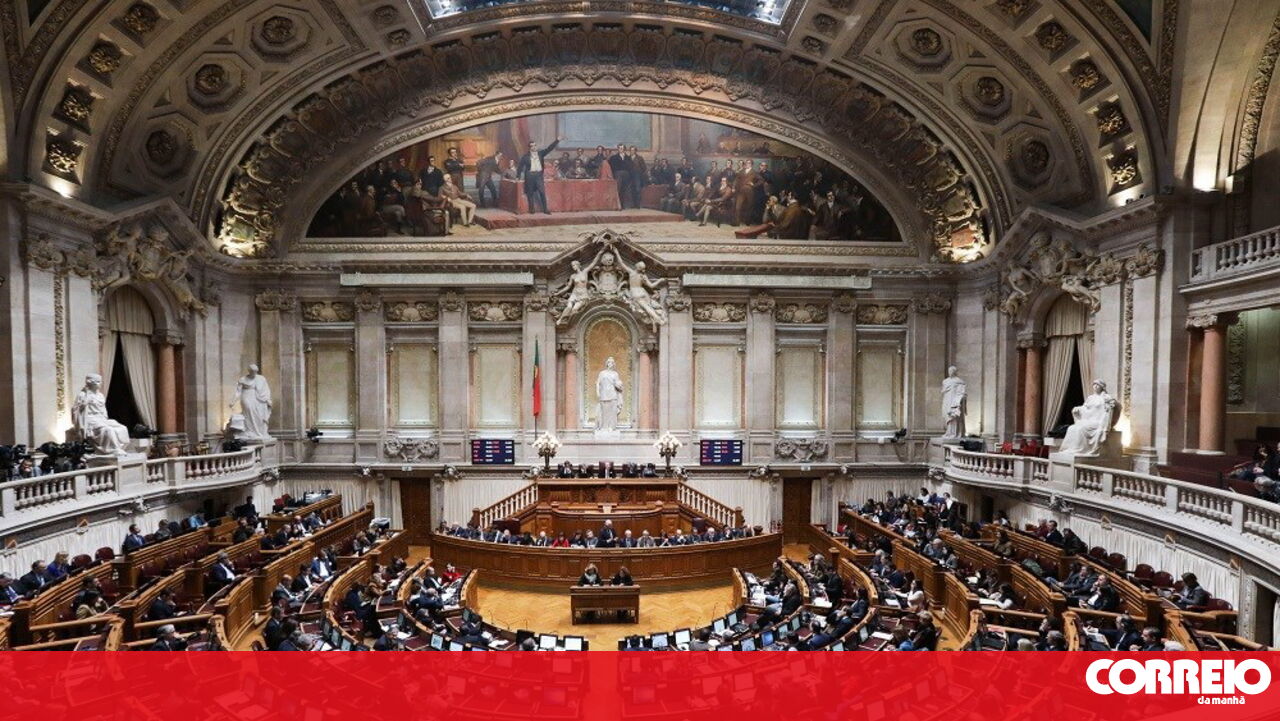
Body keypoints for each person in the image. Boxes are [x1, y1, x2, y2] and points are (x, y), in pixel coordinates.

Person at [517, 137, 562, 214]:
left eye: (535, 145)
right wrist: (517, 176)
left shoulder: (541, 153)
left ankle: (545, 210)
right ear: (529, 148)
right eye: (532, 146)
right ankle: (532, 210)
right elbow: (520, 166)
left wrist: (557, 140)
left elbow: (549, 148)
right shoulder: (525, 156)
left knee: (542, 192)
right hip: (529, 176)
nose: (534, 147)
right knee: (530, 193)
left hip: (538, 176)